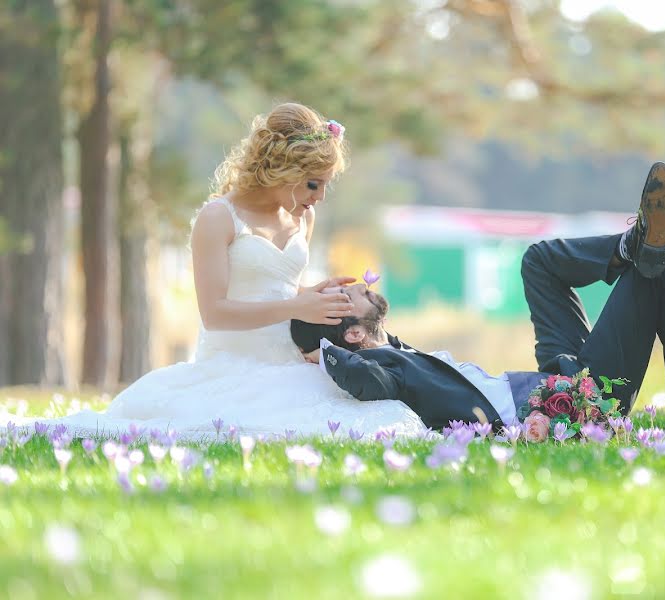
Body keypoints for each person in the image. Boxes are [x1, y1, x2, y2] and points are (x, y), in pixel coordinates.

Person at [9, 103, 425, 439]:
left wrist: (311, 294)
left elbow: (277, 287)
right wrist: (295, 304)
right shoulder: (219, 217)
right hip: (232, 360)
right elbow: (216, 312)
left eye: (325, 185)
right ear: (282, 169)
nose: (318, 197)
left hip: (288, 362)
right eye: (313, 184)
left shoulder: (301, 218)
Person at [293, 163, 665, 437]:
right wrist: (325, 351)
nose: (356, 284)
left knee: (538, 261)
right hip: (575, 403)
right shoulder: (382, 370)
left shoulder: (391, 347)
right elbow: (364, 382)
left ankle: (626, 247)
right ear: (351, 332)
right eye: (346, 296)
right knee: (657, 267)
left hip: (550, 376)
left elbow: (367, 338)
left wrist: (308, 301)